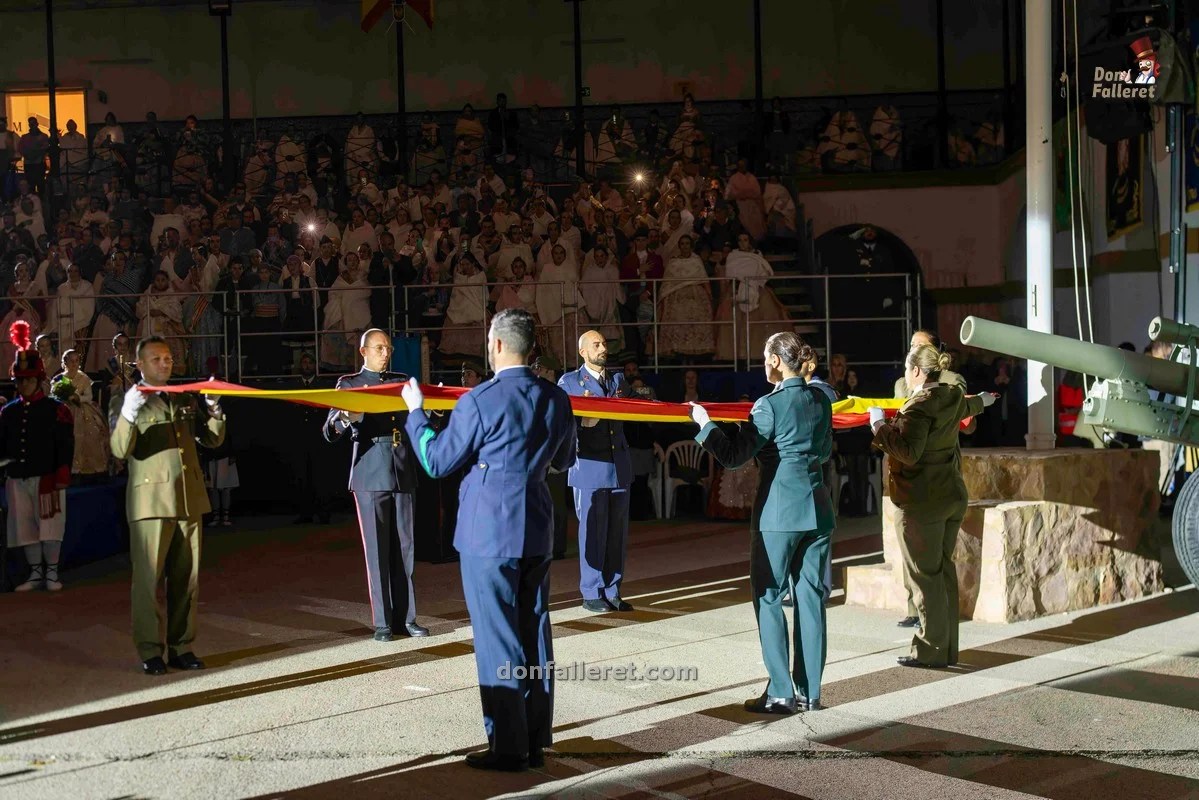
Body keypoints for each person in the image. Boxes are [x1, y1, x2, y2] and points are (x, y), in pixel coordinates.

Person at [401, 308, 576, 772]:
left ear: (496, 345)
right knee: (534, 631)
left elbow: (436, 461)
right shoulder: (557, 399)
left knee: (497, 637)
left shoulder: (480, 399)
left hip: (488, 530)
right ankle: (536, 736)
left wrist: (415, 415)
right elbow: (565, 457)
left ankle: (508, 745)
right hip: (537, 523)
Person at [687, 332, 835, 714]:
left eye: (765, 357)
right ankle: (809, 691)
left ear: (774, 362)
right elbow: (822, 450)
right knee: (811, 600)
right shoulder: (822, 398)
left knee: (768, 596)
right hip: (817, 509)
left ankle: (781, 692)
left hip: (779, 512)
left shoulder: (767, 405)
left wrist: (705, 425)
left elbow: (735, 456)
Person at [868, 344, 994, 669]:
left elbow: (908, 452)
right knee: (942, 572)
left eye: (908, 370)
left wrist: (879, 426)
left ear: (917, 372)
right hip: (951, 495)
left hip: (922, 502)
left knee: (925, 577)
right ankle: (947, 648)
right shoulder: (952, 396)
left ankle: (929, 650)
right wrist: (986, 400)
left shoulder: (919, 407)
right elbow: (972, 406)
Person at [110, 336, 226, 675]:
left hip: (188, 498)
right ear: (140, 365)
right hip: (150, 503)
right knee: (147, 582)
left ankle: (181, 646)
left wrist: (215, 408)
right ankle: (149, 650)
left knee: (186, 579)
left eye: (168, 358)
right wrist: (129, 413)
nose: (165, 363)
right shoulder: (127, 399)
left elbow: (211, 438)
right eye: (156, 359)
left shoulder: (184, 396)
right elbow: (119, 450)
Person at [322, 329, 429, 641]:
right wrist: (345, 418)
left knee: (405, 548)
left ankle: (406, 619)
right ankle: (383, 622)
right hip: (370, 469)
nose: (386, 353)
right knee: (377, 551)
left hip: (401, 467)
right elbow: (330, 430)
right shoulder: (350, 383)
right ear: (363, 351)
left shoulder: (402, 380)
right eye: (379, 348)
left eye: (388, 348)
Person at [891, 329, 972, 628]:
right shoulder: (902, 383)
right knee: (911, 550)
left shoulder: (952, 383)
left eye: (919, 345)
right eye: (910, 344)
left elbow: (966, 420)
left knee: (934, 556)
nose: (912, 349)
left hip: (935, 472)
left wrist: (879, 430)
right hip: (908, 474)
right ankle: (916, 609)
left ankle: (934, 628)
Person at [557, 330, 633, 612]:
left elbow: (636, 407)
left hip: (618, 467)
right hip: (589, 467)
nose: (603, 348)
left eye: (604, 343)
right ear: (582, 352)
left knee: (616, 534)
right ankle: (591, 591)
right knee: (592, 532)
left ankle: (612, 590)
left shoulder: (617, 379)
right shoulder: (570, 382)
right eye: (596, 345)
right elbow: (561, 423)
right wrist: (583, 423)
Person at [2, 321, 74, 592]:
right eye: (19, 381)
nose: (23, 385)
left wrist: (63, 471)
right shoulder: (8, 412)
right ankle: (34, 574)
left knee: (51, 526)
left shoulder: (57, 409)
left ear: (39, 379)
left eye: (28, 380)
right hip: (18, 477)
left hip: (48, 475)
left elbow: (65, 443)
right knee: (24, 526)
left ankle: (52, 573)